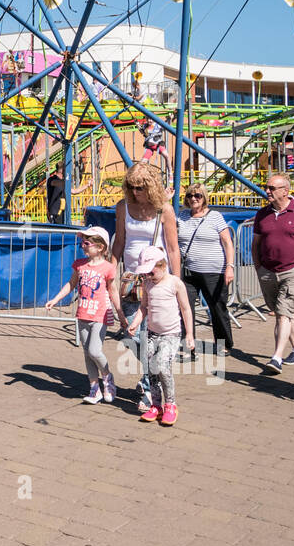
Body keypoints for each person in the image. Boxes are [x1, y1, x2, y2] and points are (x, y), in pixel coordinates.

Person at [111, 163, 182, 413]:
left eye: (140, 187)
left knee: (149, 336)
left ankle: (150, 388)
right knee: (132, 333)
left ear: (150, 186)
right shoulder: (123, 207)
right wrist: (112, 271)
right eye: (130, 186)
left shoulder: (164, 209)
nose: (135, 191)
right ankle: (153, 376)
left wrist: (177, 282)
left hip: (157, 279)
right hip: (131, 277)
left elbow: (173, 249)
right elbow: (119, 241)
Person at [44, 226, 123, 405]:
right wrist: (55, 299)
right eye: (82, 242)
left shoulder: (108, 268)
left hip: (100, 314)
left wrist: (120, 314)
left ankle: (107, 378)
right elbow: (71, 284)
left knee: (95, 350)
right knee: (87, 353)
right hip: (83, 313)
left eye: (87, 243)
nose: (83, 246)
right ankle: (94, 388)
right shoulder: (79, 264)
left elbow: (113, 290)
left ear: (100, 247)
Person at [252, 173, 294, 373]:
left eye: (272, 188)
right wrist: (258, 266)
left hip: (292, 271)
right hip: (267, 271)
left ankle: (276, 357)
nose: (267, 191)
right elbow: (256, 243)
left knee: (282, 314)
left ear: (285, 191)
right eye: (267, 187)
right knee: (285, 314)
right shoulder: (262, 214)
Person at [125, 245, 193, 425]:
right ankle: (156, 405)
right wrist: (135, 323)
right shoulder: (148, 284)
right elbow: (143, 308)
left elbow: (186, 309)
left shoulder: (175, 283)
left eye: (151, 272)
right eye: (145, 273)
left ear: (162, 265)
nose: (148, 276)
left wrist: (190, 335)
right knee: (152, 370)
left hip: (171, 334)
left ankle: (170, 404)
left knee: (162, 365)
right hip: (152, 334)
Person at [177, 184, 236, 356]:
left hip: (213, 271)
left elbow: (227, 243)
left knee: (217, 307)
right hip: (188, 271)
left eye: (197, 195)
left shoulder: (215, 216)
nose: (193, 198)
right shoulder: (181, 216)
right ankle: (189, 345)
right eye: (189, 195)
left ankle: (224, 343)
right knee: (185, 308)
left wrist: (230, 267)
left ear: (204, 197)